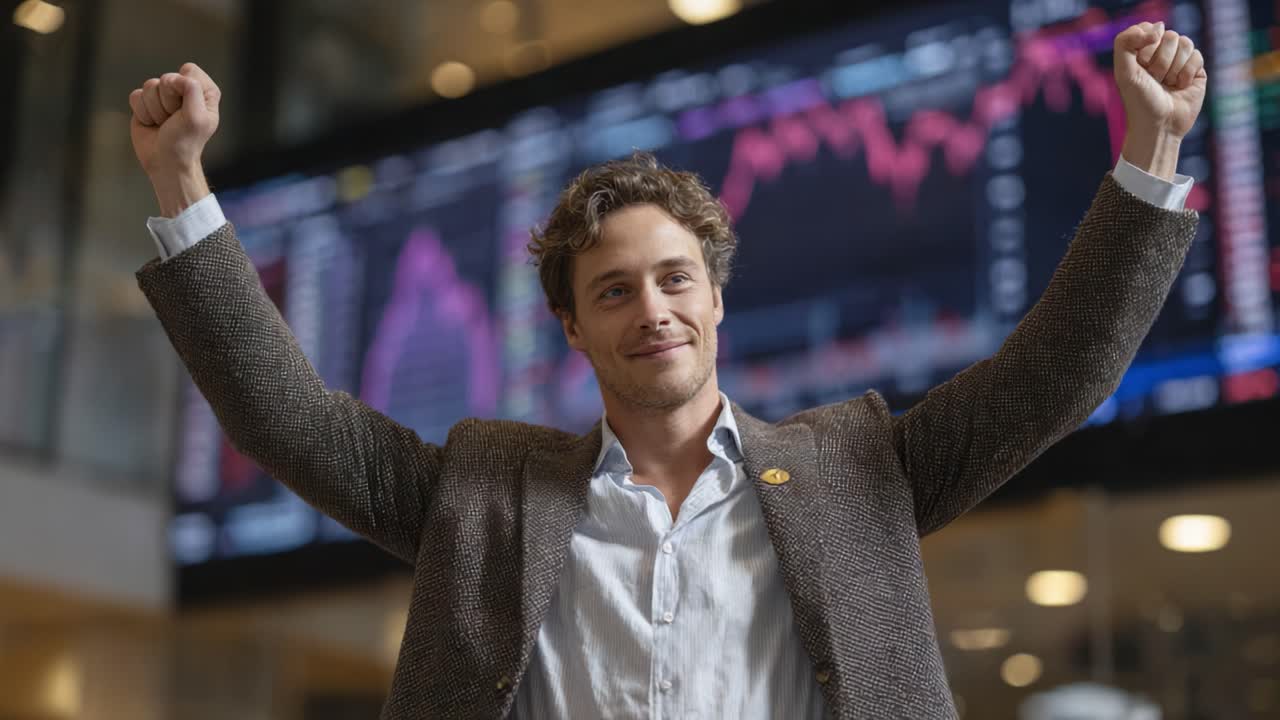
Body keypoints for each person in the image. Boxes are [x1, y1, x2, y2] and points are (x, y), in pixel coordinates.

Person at [128, 21, 1205, 720]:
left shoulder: (856, 473)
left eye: (675, 279)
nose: (653, 309)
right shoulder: (484, 493)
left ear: (715, 297)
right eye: (613, 292)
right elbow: (289, 419)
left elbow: (1052, 376)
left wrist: (1147, 152)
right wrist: (181, 179)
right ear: (571, 330)